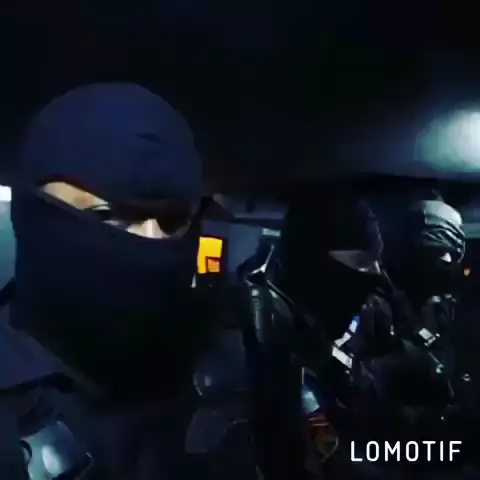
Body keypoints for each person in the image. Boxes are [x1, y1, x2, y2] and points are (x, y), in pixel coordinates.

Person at [0, 84, 258, 479]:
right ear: (32, 216)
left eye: (173, 222)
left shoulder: (226, 358)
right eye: (106, 216)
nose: (152, 244)